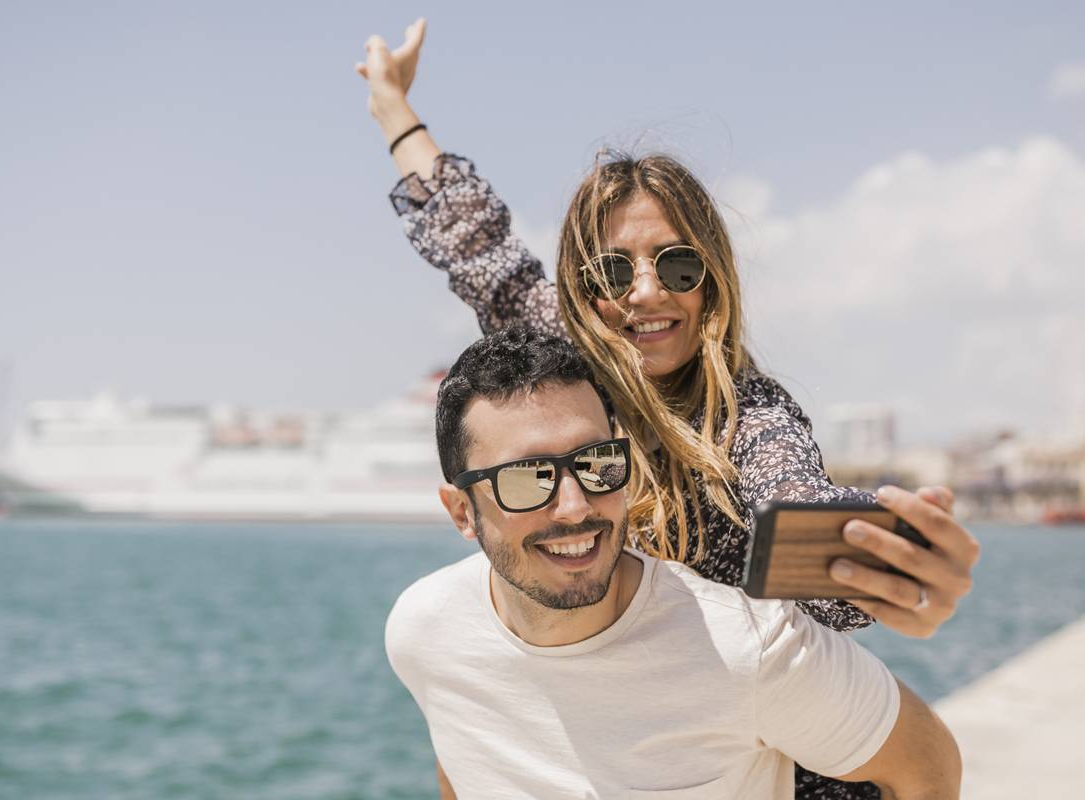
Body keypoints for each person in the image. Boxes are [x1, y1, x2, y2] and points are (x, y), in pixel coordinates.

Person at [358, 20, 980, 800]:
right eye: (614, 271)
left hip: (767, 763)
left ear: (711, 279)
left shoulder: (749, 417)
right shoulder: (561, 347)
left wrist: (890, 573)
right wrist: (392, 105)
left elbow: (795, 503)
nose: (647, 292)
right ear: (581, 287)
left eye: (678, 265)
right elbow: (469, 236)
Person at [386, 326, 962, 799]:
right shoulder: (425, 629)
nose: (575, 506)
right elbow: (461, 760)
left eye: (596, 463)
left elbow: (928, 766)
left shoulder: (748, 647)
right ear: (461, 511)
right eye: (526, 479)